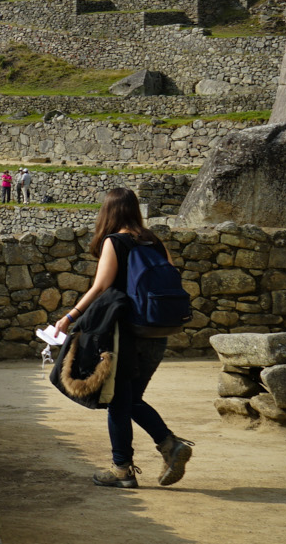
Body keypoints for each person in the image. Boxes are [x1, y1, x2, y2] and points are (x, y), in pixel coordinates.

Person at [53, 188, 192, 490]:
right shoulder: (153, 240)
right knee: (130, 400)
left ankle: (123, 470)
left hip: (125, 334)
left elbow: (101, 287)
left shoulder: (114, 242)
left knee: (118, 402)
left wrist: (69, 317)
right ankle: (168, 446)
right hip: (157, 331)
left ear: (108, 211)